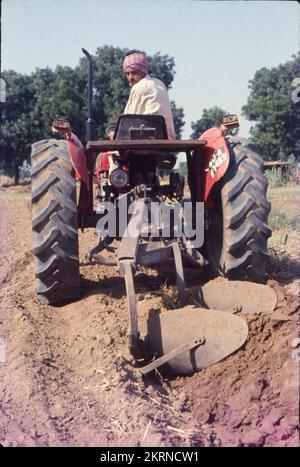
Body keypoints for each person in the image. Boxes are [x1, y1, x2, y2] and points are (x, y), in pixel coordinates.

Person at [123, 50, 176, 140]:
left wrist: (113, 133)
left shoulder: (139, 87)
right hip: (166, 141)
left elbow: (127, 123)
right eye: (127, 74)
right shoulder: (160, 84)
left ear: (143, 70)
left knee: (104, 154)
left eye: (134, 72)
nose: (130, 78)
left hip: (143, 141)